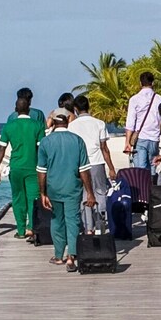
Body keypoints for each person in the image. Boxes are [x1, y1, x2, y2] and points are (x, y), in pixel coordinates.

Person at [36, 109, 96, 271]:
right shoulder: (77, 141)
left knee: (56, 220)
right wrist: (89, 192)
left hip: (54, 187)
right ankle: (71, 256)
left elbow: (41, 171)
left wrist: (42, 193)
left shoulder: (46, 142)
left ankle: (58, 255)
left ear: (54, 123)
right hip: (72, 187)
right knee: (73, 220)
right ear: (68, 122)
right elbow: (84, 170)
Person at [0, 88, 46, 239]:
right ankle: (31, 227)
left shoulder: (9, 126)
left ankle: (21, 230)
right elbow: (41, 147)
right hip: (33, 166)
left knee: (17, 198)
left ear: (15, 109)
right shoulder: (38, 125)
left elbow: (2, 149)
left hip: (15, 167)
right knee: (33, 197)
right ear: (29, 107)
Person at [66, 96, 115, 233]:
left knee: (84, 195)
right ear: (89, 107)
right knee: (100, 192)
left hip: (80, 165)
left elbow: (71, 149)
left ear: (75, 109)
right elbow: (104, 148)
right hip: (97, 162)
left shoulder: (72, 125)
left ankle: (88, 227)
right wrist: (111, 168)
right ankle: (101, 223)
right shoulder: (99, 123)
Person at [124, 72, 161, 175]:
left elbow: (130, 123)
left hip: (141, 138)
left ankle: (142, 190)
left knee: (141, 170)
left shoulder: (134, 99)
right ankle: (151, 189)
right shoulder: (160, 99)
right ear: (153, 83)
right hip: (154, 138)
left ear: (140, 83)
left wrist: (127, 142)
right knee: (152, 167)